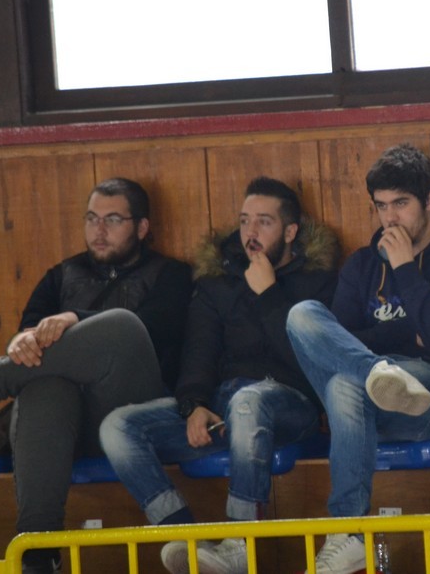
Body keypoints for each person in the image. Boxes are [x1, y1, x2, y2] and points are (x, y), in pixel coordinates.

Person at [0, 177, 193, 574]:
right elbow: (24, 344)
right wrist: (22, 341)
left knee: (124, 325)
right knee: (46, 386)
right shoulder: (61, 275)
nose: (99, 230)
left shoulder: (172, 275)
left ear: (142, 228)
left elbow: (156, 329)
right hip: (62, 429)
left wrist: (74, 317)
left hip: (133, 413)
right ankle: (39, 551)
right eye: (91, 218)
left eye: (113, 220)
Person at [100, 176, 339, 574]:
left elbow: (315, 361)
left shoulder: (319, 281)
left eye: (264, 222)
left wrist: (269, 295)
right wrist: (194, 405)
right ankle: (184, 535)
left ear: (290, 232)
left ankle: (241, 543)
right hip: (226, 408)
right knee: (118, 426)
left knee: (250, 400)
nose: (251, 232)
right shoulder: (218, 282)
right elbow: (199, 352)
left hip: (290, 405)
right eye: (245, 221)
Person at [286, 143, 430, 574]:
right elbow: (335, 343)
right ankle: (377, 373)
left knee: (345, 382)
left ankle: (348, 529)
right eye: (381, 206)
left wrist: (406, 269)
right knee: (303, 318)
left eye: (401, 204)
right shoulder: (361, 265)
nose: (390, 218)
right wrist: (402, 338)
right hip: (368, 400)